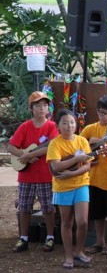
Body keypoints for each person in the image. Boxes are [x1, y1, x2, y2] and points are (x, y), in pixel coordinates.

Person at [8, 91, 58, 253]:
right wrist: (25, 156)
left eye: (45, 105)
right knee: (24, 207)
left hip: (45, 175)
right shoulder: (25, 127)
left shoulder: (52, 126)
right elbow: (11, 146)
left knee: (48, 207)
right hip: (26, 175)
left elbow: (51, 145)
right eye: (38, 106)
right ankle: (23, 238)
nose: (42, 109)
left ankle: (50, 237)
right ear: (32, 108)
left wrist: (31, 154)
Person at [46, 109, 92, 269]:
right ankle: (68, 256)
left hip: (81, 184)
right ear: (58, 125)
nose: (69, 126)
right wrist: (75, 159)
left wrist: (73, 172)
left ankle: (79, 251)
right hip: (62, 187)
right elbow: (56, 166)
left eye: (71, 122)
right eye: (64, 123)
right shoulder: (55, 143)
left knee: (83, 222)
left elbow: (88, 165)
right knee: (66, 222)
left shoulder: (82, 141)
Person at [80, 96, 107, 256]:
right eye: (101, 113)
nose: (104, 116)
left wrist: (102, 142)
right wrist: (90, 150)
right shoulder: (90, 128)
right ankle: (99, 241)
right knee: (97, 213)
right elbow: (80, 146)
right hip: (93, 178)